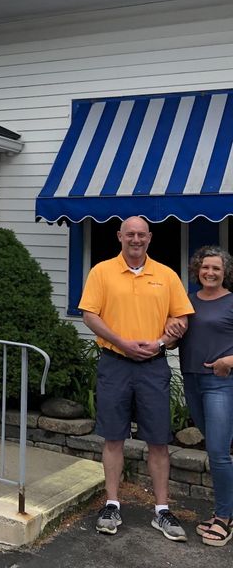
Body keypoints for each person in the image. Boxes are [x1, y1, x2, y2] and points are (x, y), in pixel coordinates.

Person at [78, 216, 194, 540]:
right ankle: (112, 503)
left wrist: (163, 339)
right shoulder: (101, 272)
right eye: (129, 233)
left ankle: (161, 510)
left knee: (158, 440)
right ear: (119, 236)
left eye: (141, 234)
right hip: (115, 363)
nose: (135, 239)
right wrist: (121, 343)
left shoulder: (167, 275)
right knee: (113, 437)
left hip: (153, 365)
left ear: (150, 238)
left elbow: (180, 318)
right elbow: (89, 315)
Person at [174, 245, 233, 547]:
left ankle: (224, 517)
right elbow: (176, 337)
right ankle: (223, 510)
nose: (210, 273)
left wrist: (229, 360)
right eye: (205, 267)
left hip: (220, 383)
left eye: (216, 269)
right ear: (197, 270)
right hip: (192, 381)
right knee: (214, 448)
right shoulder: (187, 301)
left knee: (219, 453)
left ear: (225, 273)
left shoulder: (231, 302)